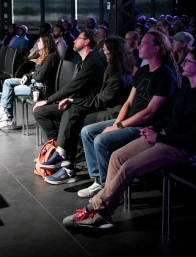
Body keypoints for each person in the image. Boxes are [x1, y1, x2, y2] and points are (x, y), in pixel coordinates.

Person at [63, 47, 196, 229]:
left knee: (129, 167)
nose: (182, 63)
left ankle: (95, 207)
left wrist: (158, 137)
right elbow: (171, 118)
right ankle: (105, 212)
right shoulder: (185, 90)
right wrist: (153, 128)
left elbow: (193, 139)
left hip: (181, 148)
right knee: (117, 157)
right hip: (164, 137)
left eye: (187, 62)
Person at [77, 30, 181, 199]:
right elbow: (128, 102)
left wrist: (118, 126)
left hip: (144, 126)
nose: (139, 46)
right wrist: (116, 124)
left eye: (144, 43)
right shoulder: (143, 71)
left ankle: (106, 186)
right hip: (129, 121)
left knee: (101, 140)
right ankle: (97, 178)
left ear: (156, 49)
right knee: (87, 131)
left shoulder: (165, 74)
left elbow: (150, 112)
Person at [36, 36, 134, 184]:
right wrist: (71, 100)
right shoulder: (112, 68)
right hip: (104, 106)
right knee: (71, 113)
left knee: (74, 119)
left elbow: (101, 101)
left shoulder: (117, 76)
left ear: (115, 54)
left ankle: (67, 162)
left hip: (112, 112)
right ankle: (62, 155)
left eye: (106, 52)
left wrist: (73, 100)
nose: (104, 53)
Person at [0, 34, 59, 129]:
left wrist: (31, 76)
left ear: (46, 44)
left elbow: (40, 76)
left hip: (40, 88)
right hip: (34, 82)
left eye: (40, 42)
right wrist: (27, 76)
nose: (37, 43)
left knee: (9, 90)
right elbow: (35, 72)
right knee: (8, 82)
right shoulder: (43, 55)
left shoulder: (50, 58)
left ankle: (7, 117)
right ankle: (3, 112)